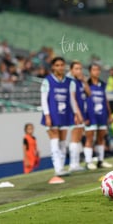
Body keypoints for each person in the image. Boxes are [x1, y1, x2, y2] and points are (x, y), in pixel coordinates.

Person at [40, 56, 82, 184]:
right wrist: (47, 115)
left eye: (61, 65)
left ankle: (62, 167)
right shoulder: (47, 81)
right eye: (57, 65)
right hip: (52, 115)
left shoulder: (70, 82)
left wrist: (75, 113)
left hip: (64, 115)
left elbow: (72, 99)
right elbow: (43, 99)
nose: (60, 67)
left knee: (63, 142)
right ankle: (57, 168)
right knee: (55, 141)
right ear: (53, 67)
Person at [84, 63, 113, 170]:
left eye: (98, 70)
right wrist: (84, 116)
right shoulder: (86, 84)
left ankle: (100, 161)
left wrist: (109, 114)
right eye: (94, 70)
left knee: (101, 137)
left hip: (102, 114)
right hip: (90, 115)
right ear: (90, 71)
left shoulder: (102, 84)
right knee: (90, 138)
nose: (97, 72)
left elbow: (105, 99)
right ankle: (88, 162)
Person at [68, 60, 91, 172]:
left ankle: (75, 163)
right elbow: (72, 99)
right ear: (71, 70)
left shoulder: (80, 81)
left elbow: (89, 93)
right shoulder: (70, 81)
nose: (79, 71)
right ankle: (73, 164)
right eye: (76, 69)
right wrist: (77, 114)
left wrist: (84, 81)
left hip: (81, 111)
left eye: (80, 69)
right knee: (75, 137)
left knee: (77, 138)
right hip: (75, 113)